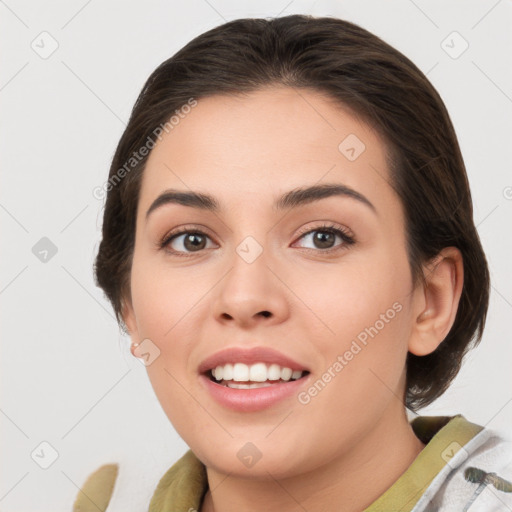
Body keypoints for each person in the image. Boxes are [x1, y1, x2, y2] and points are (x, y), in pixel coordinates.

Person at [73, 14, 512, 512]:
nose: (244, 297)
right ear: (128, 303)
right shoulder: (101, 499)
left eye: (322, 237)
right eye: (191, 240)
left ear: (430, 300)